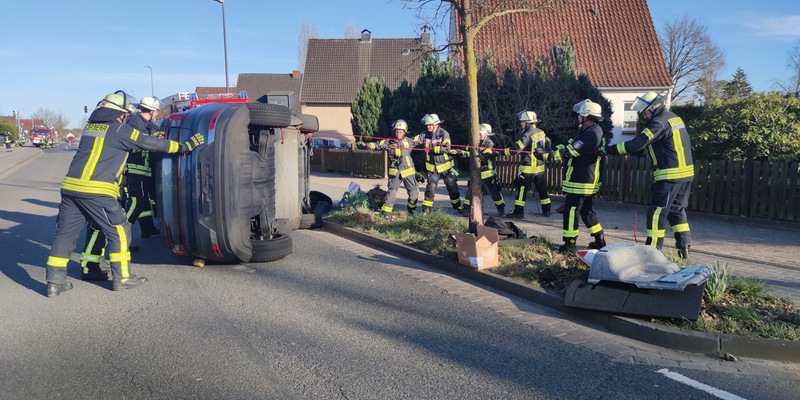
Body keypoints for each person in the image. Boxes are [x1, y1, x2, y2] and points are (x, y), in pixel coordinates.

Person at [45, 91, 205, 297]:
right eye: (125, 114)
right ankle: (122, 278)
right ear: (119, 114)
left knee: (65, 234)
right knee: (120, 230)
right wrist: (185, 146)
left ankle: (54, 282)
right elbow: (152, 144)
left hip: (70, 189)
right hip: (97, 190)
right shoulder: (120, 130)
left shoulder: (89, 128)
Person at [602, 91, 694, 258]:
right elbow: (657, 146)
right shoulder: (673, 118)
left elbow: (637, 144)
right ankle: (684, 249)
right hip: (685, 174)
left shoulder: (658, 122)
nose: (643, 114)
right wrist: (636, 152)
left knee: (656, 214)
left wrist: (608, 149)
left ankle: (652, 253)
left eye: (644, 111)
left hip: (669, 176)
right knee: (677, 211)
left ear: (654, 107)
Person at [552, 100, 606, 252]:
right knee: (586, 210)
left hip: (581, 180)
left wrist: (548, 156)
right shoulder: (589, 132)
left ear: (587, 117)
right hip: (585, 178)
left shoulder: (591, 134)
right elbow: (569, 145)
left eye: (580, 115)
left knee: (571, 211)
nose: (578, 118)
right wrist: (552, 150)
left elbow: (570, 152)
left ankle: (569, 243)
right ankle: (599, 240)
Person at [357, 119, 419, 218]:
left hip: (408, 171)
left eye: (401, 131)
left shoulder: (408, 141)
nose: (398, 133)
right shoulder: (389, 141)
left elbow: (404, 145)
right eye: (397, 131)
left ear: (404, 132)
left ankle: (411, 211)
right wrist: (367, 145)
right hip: (396, 171)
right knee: (391, 192)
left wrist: (396, 145)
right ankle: (386, 213)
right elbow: (378, 144)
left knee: (414, 194)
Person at [411, 113, 463, 214]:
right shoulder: (424, 134)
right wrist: (403, 142)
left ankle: (457, 206)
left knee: (451, 185)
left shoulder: (444, 133)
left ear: (436, 124)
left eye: (430, 125)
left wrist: (431, 149)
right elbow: (413, 141)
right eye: (427, 125)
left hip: (446, 167)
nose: (428, 127)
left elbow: (446, 148)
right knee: (431, 188)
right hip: (433, 168)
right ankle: (426, 210)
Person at [504, 110, 551, 218]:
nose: (521, 123)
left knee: (522, 190)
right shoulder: (541, 132)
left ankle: (518, 212)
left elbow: (516, 149)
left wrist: (503, 152)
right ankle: (547, 211)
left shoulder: (527, 134)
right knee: (542, 190)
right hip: (540, 167)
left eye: (522, 121)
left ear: (527, 122)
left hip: (528, 168)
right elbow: (548, 144)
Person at [453, 123, 506, 216]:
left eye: (480, 134)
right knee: (471, 191)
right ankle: (466, 209)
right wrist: (461, 152)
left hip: (488, 172)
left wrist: (484, 153)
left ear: (485, 135)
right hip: (477, 172)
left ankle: (501, 209)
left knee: (495, 192)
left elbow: (488, 152)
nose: (478, 136)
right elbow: (468, 151)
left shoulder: (490, 143)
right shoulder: (474, 142)